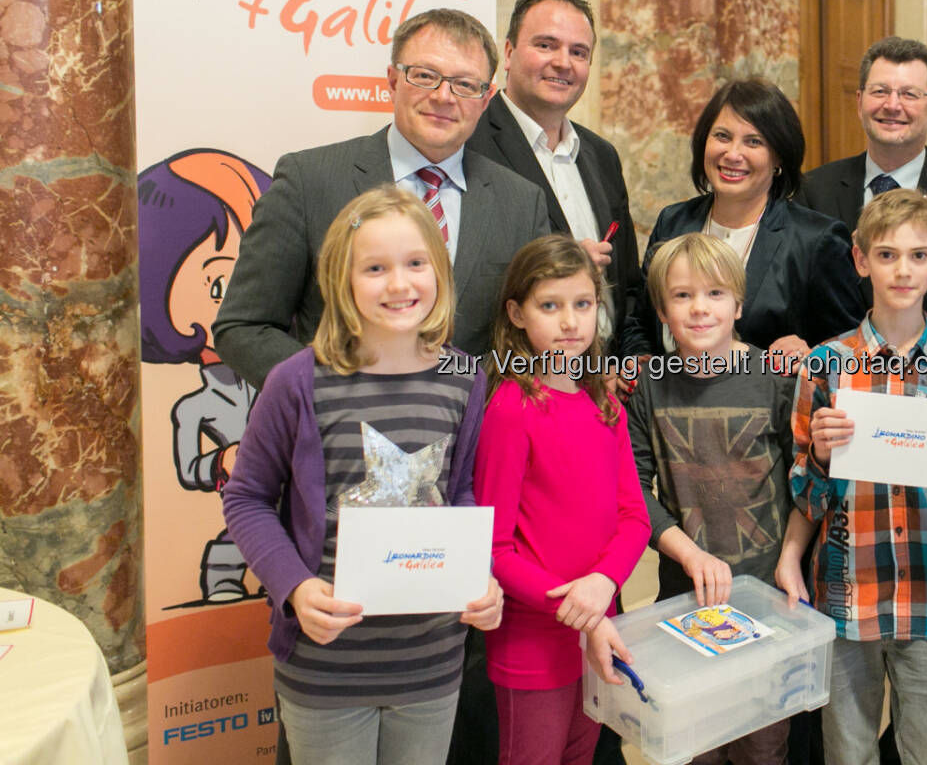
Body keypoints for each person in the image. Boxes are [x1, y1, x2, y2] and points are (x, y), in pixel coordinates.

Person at [222, 186, 505, 765]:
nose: (400, 285)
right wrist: (295, 588)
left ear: (439, 271)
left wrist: (482, 577)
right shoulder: (297, 380)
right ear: (340, 279)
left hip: (431, 658)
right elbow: (247, 497)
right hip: (327, 663)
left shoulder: (464, 377)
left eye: (415, 264)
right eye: (375, 268)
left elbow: (458, 495)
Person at [214, 8, 550, 389]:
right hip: (336, 439)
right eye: (424, 76)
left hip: (476, 441)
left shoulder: (521, 203)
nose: (443, 97)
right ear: (393, 80)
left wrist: (464, 389)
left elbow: (529, 341)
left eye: (465, 85)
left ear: (485, 98)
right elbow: (243, 326)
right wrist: (339, 391)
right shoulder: (309, 181)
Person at [781, 188, 927, 765]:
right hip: (848, 590)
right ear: (860, 260)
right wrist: (824, 457)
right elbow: (805, 492)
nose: (903, 269)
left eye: (918, 255)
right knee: (848, 753)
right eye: (886, 255)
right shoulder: (825, 366)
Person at [629, 232, 804, 765]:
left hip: (769, 597)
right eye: (681, 296)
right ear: (661, 308)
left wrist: (792, 557)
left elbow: (807, 478)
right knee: (695, 746)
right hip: (685, 600)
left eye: (715, 294)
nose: (699, 308)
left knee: (762, 747)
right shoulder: (647, 388)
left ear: (739, 303)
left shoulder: (775, 379)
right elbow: (634, 489)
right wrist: (689, 554)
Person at [475, 235, 650, 765]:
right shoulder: (512, 409)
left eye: (582, 304)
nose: (570, 322)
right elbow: (494, 548)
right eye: (549, 307)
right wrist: (582, 612)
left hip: (600, 624)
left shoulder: (605, 403)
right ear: (517, 314)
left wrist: (604, 584)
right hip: (534, 644)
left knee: (583, 755)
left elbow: (634, 518)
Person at [622, 78, 865, 369]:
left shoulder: (816, 240)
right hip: (669, 404)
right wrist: (639, 361)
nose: (733, 154)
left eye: (754, 141)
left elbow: (853, 348)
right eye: (722, 136)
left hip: (773, 408)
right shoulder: (673, 222)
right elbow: (640, 321)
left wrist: (814, 352)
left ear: (779, 158)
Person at [469, 0, 640, 345]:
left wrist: (624, 362)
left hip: (602, 386)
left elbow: (627, 284)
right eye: (546, 45)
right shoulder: (469, 142)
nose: (563, 62)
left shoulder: (602, 155)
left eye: (579, 52)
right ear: (510, 53)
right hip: (510, 379)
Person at [797, 37, 927, 341]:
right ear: (859, 101)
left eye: (909, 94)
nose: (892, 105)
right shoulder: (813, 191)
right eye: (879, 91)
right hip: (834, 377)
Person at [138, 149, 271, 604]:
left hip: (309, 525)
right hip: (244, 515)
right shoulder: (194, 408)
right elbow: (188, 469)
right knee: (231, 557)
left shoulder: (288, 378)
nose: (241, 298)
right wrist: (220, 462)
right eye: (220, 283)